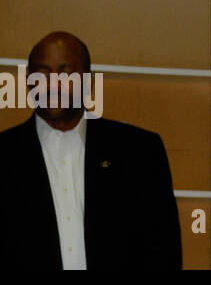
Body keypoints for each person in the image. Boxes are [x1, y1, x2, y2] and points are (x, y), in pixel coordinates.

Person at [0, 32, 181, 269]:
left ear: (89, 80)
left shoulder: (139, 151)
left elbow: (163, 251)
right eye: (42, 72)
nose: (53, 83)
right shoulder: (5, 155)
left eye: (65, 72)